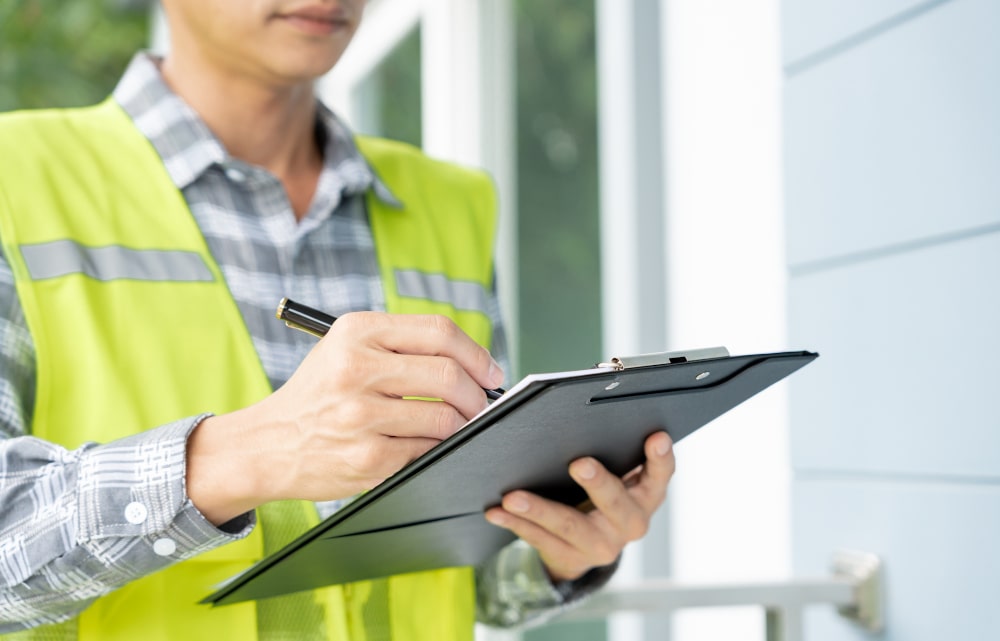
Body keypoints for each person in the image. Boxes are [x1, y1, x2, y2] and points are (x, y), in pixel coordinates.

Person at [0, 1, 676, 639]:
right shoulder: (16, 180)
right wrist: (236, 459)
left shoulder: (450, 205)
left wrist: (562, 547)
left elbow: (469, 573)